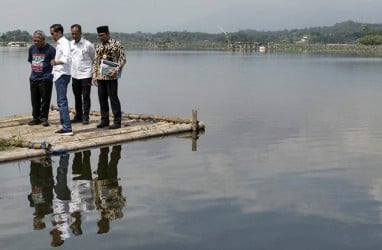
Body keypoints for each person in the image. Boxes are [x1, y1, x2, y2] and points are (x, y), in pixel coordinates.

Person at [92, 25, 126, 129]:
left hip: (111, 76)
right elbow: (96, 61)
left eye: (102, 35)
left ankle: (117, 121)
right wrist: (94, 75)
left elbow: (122, 59)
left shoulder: (116, 44)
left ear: (107, 34)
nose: (100, 37)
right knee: (102, 99)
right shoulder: (98, 46)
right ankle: (104, 120)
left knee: (113, 98)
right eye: (99, 36)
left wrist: (116, 70)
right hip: (100, 76)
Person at [27, 30, 56, 127]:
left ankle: (44, 118)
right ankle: (36, 118)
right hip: (34, 78)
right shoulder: (31, 49)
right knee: (34, 100)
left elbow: (55, 64)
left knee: (45, 100)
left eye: (38, 40)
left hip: (46, 78)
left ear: (43, 39)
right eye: (34, 40)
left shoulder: (51, 50)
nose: (36, 42)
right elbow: (31, 61)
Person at [50, 24, 73, 136]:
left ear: (59, 32)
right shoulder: (61, 43)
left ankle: (67, 128)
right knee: (60, 101)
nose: (52, 36)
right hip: (59, 74)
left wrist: (56, 62)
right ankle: (64, 125)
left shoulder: (64, 43)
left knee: (62, 101)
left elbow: (68, 58)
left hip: (62, 74)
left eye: (52, 33)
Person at [70, 24, 95, 125]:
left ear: (80, 33)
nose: (74, 35)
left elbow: (94, 58)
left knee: (85, 96)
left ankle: (86, 117)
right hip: (75, 74)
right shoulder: (70, 44)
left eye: (76, 33)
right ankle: (78, 116)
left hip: (86, 74)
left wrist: (94, 73)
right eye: (72, 33)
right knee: (76, 96)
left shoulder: (88, 44)